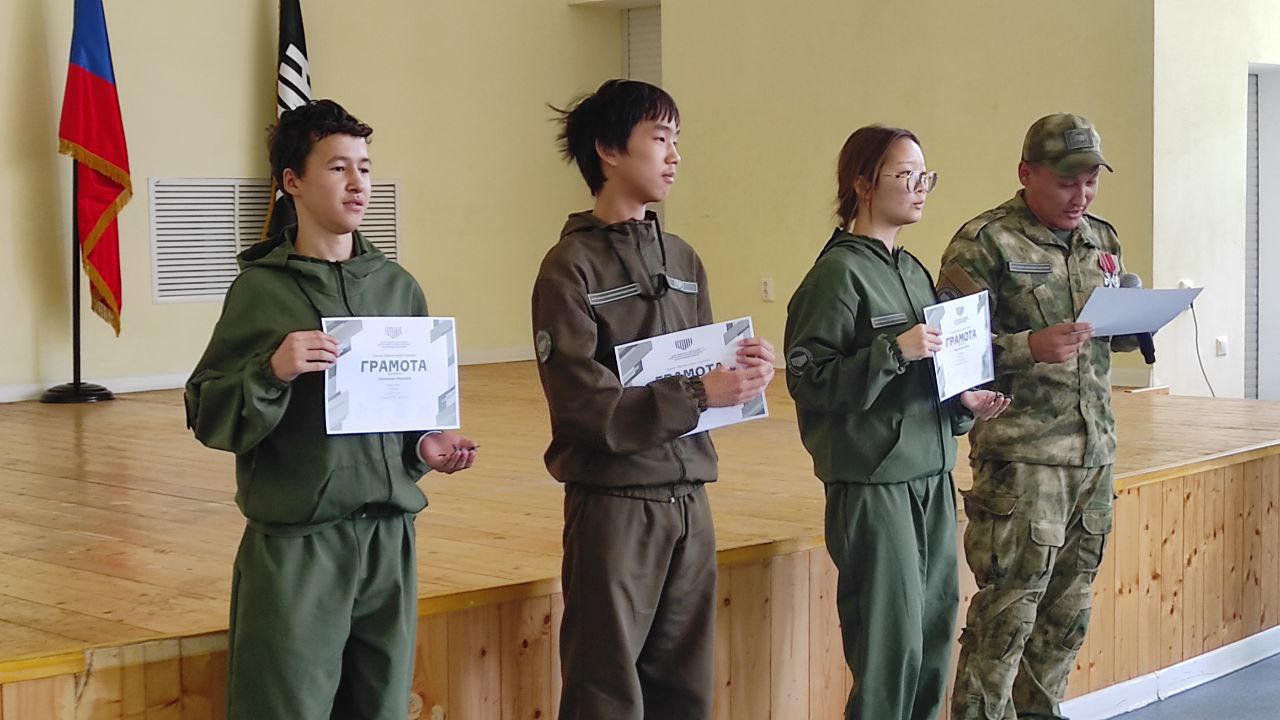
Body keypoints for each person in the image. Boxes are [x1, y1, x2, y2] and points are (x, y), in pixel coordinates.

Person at [184, 99, 477, 720]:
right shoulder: (260, 290)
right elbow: (208, 412)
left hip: (390, 539)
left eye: (364, 168)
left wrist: (425, 445)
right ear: (292, 181)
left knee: (382, 709)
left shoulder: (397, 287)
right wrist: (272, 370)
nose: (357, 183)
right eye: (338, 167)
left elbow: (407, 413)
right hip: (300, 546)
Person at [531, 79, 775, 720]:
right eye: (660, 138)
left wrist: (745, 373)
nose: (675, 155)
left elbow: (709, 374)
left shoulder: (684, 259)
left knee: (685, 690)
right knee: (605, 690)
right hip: (617, 506)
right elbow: (582, 406)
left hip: (691, 501)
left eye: (676, 140)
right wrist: (699, 392)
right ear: (609, 150)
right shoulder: (569, 267)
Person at [784, 125, 1009, 720]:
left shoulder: (911, 270)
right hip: (874, 483)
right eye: (905, 174)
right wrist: (893, 351)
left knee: (934, 636)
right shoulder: (837, 275)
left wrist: (961, 404)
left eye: (924, 175)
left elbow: (923, 373)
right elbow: (808, 379)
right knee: (891, 649)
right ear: (862, 183)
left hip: (931, 476)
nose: (919, 187)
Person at [937, 113, 1139, 720]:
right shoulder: (985, 242)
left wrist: (1137, 322)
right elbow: (950, 352)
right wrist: (1028, 346)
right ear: (1027, 174)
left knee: (1066, 619)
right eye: (1066, 181)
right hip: (1023, 460)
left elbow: (1107, 335)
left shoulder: (1102, 241)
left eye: (1090, 182)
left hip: (1092, 456)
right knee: (1006, 619)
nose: (1081, 195)